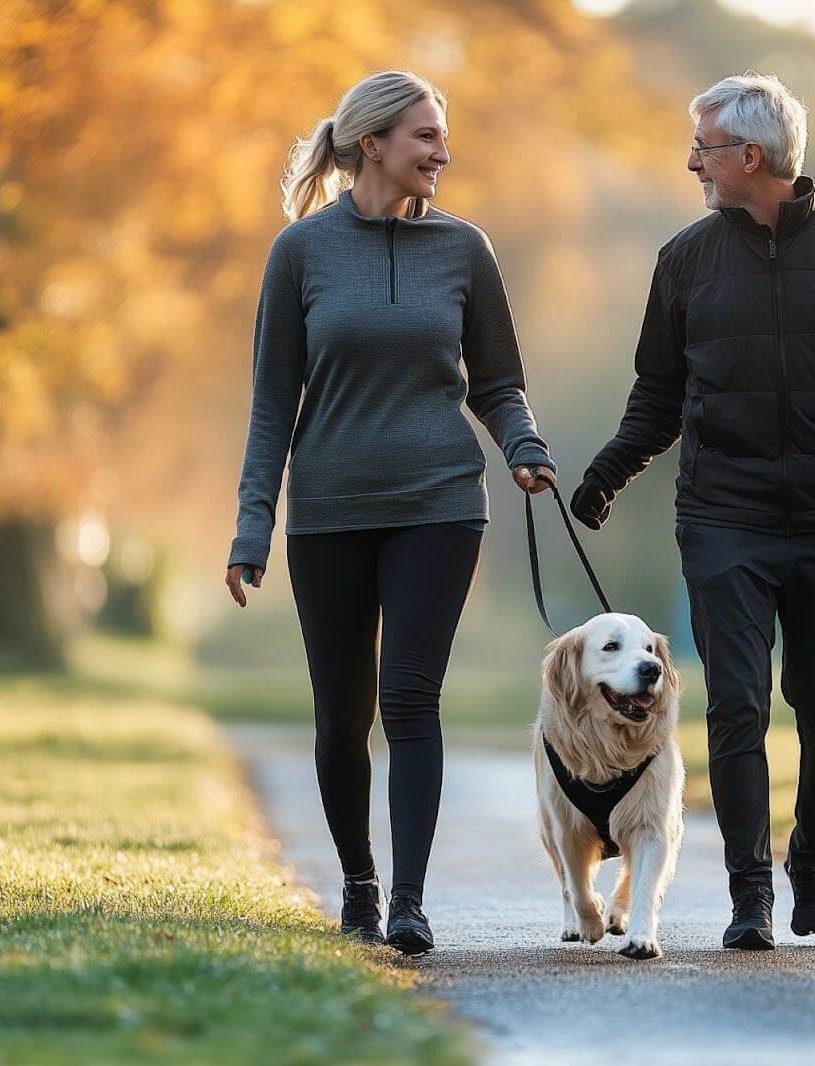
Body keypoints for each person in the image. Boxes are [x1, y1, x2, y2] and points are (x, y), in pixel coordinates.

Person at [571, 73, 815, 950]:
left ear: (752, 156)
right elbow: (659, 395)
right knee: (735, 704)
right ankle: (750, 892)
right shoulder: (685, 262)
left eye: (702, 147)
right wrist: (607, 472)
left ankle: (812, 858)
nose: (691, 162)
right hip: (724, 518)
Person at [224, 70, 557, 956]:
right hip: (328, 512)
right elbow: (271, 405)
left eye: (443, 137)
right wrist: (252, 526)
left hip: (439, 505)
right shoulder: (299, 253)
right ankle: (359, 884)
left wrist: (522, 446)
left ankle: (408, 901)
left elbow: (498, 383)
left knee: (411, 698)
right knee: (342, 714)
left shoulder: (465, 250)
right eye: (426, 138)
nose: (443, 153)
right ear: (371, 143)